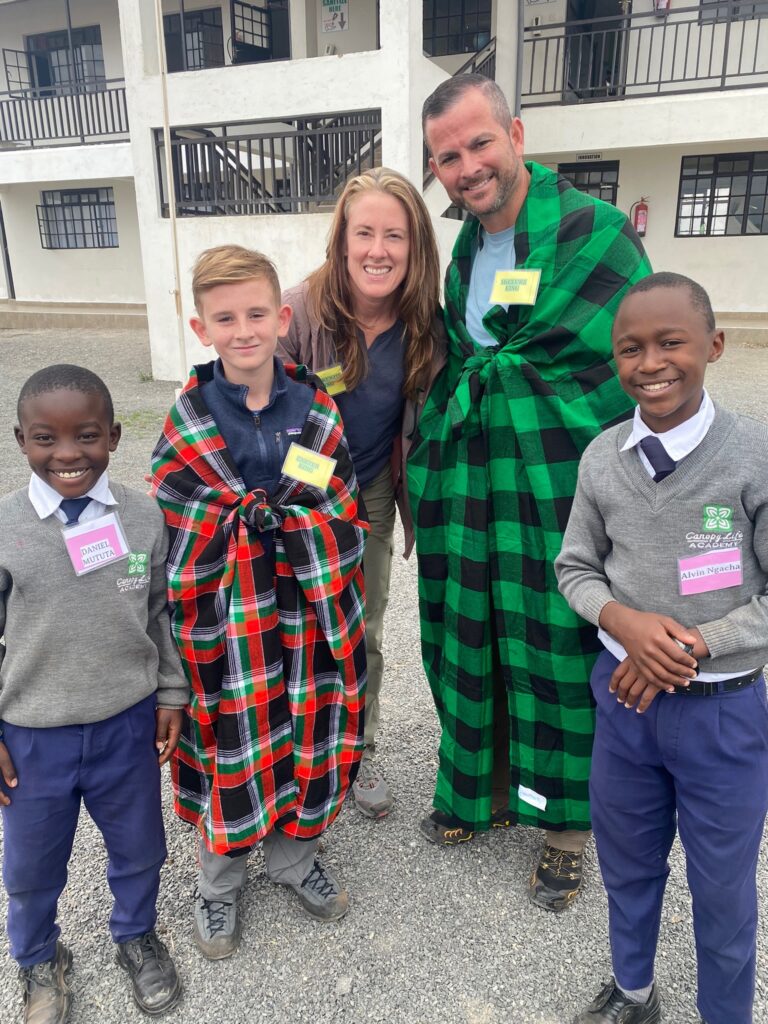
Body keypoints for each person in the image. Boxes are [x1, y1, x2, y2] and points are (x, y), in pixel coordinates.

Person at [411, 73, 651, 911]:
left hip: (559, 482)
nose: (468, 165)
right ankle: (480, 787)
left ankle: (564, 827)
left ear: (515, 132)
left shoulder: (596, 232)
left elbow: (618, 369)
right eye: (449, 156)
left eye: (480, 143)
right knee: (470, 624)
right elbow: (465, 364)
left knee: (555, 637)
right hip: (477, 484)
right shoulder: (466, 254)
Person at [555, 272, 768, 1024]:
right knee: (629, 865)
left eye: (670, 342)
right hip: (626, 708)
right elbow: (574, 567)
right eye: (630, 349)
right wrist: (624, 623)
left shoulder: (752, 455)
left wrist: (690, 645)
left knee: (722, 892)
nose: (651, 363)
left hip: (723, 715)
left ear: (712, 345)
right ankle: (634, 990)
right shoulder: (602, 458)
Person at [151, 245, 368, 961]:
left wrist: (284, 525)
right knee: (229, 740)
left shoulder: (314, 406)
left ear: (280, 318)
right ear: (200, 326)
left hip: (303, 614)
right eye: (224, 318)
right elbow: (174, 512)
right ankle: (219, 882)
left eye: (254, 314)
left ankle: (293, 856)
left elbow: (340, 506)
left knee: (302, 729)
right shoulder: (189, 414)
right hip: (225, 621)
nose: (242, 330)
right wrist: (238, 522)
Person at [0, 364, 186, 1024]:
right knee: (29, 867)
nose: (69, 454)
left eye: (86, 435)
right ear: (21, 439)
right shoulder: (5, 527)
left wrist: (171, 694)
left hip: (125, 725)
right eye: (46, 438)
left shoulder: (142, 519)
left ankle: (135, 936)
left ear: (113, 434)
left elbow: (160, 611)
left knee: (140, 847)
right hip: (32, 739)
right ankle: (39, 958)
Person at [279, 167, 444, 819]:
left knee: (362, 626)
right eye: (365, 233)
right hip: (300, 491)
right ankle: (288, 749)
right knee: (292, 623)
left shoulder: (424, 322)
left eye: (395, 236)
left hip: (374, 489)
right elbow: (255, 414)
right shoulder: (299, 313)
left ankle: (356, 750)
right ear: (342, 240)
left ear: (415, 246)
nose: (379, 250)